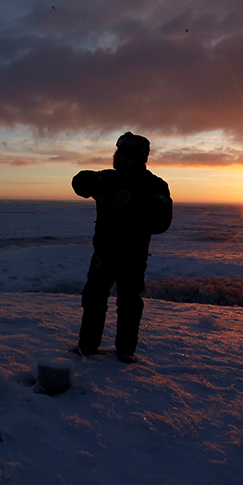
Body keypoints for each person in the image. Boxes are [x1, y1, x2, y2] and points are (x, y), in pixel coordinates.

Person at [72, 132, 172, 363]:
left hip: (133, 256)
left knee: (129, 303)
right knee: (94, 298)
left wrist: (132, 216)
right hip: (104, 253)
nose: (119, 157)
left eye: (125, 153)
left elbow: (163, 221)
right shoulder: (108, 178)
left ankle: (126, 351)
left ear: (140, 156)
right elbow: (79, 181)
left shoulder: (155, 185)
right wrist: (96, 191)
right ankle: (87, 346)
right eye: (118, 152)